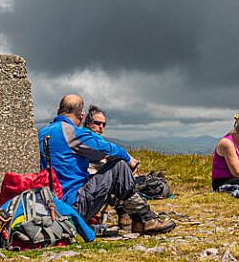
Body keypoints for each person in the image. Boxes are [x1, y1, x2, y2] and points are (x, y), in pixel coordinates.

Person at [39, 95, 175, 235]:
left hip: (51, 208)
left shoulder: (41, 133)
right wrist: (130, 159)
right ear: (82, 115)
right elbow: (108, 149)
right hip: (73, 207)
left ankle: (135, 219)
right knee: (118, 167)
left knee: (108, 175)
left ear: (58, 111)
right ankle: (145, 219)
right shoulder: (71, 133)